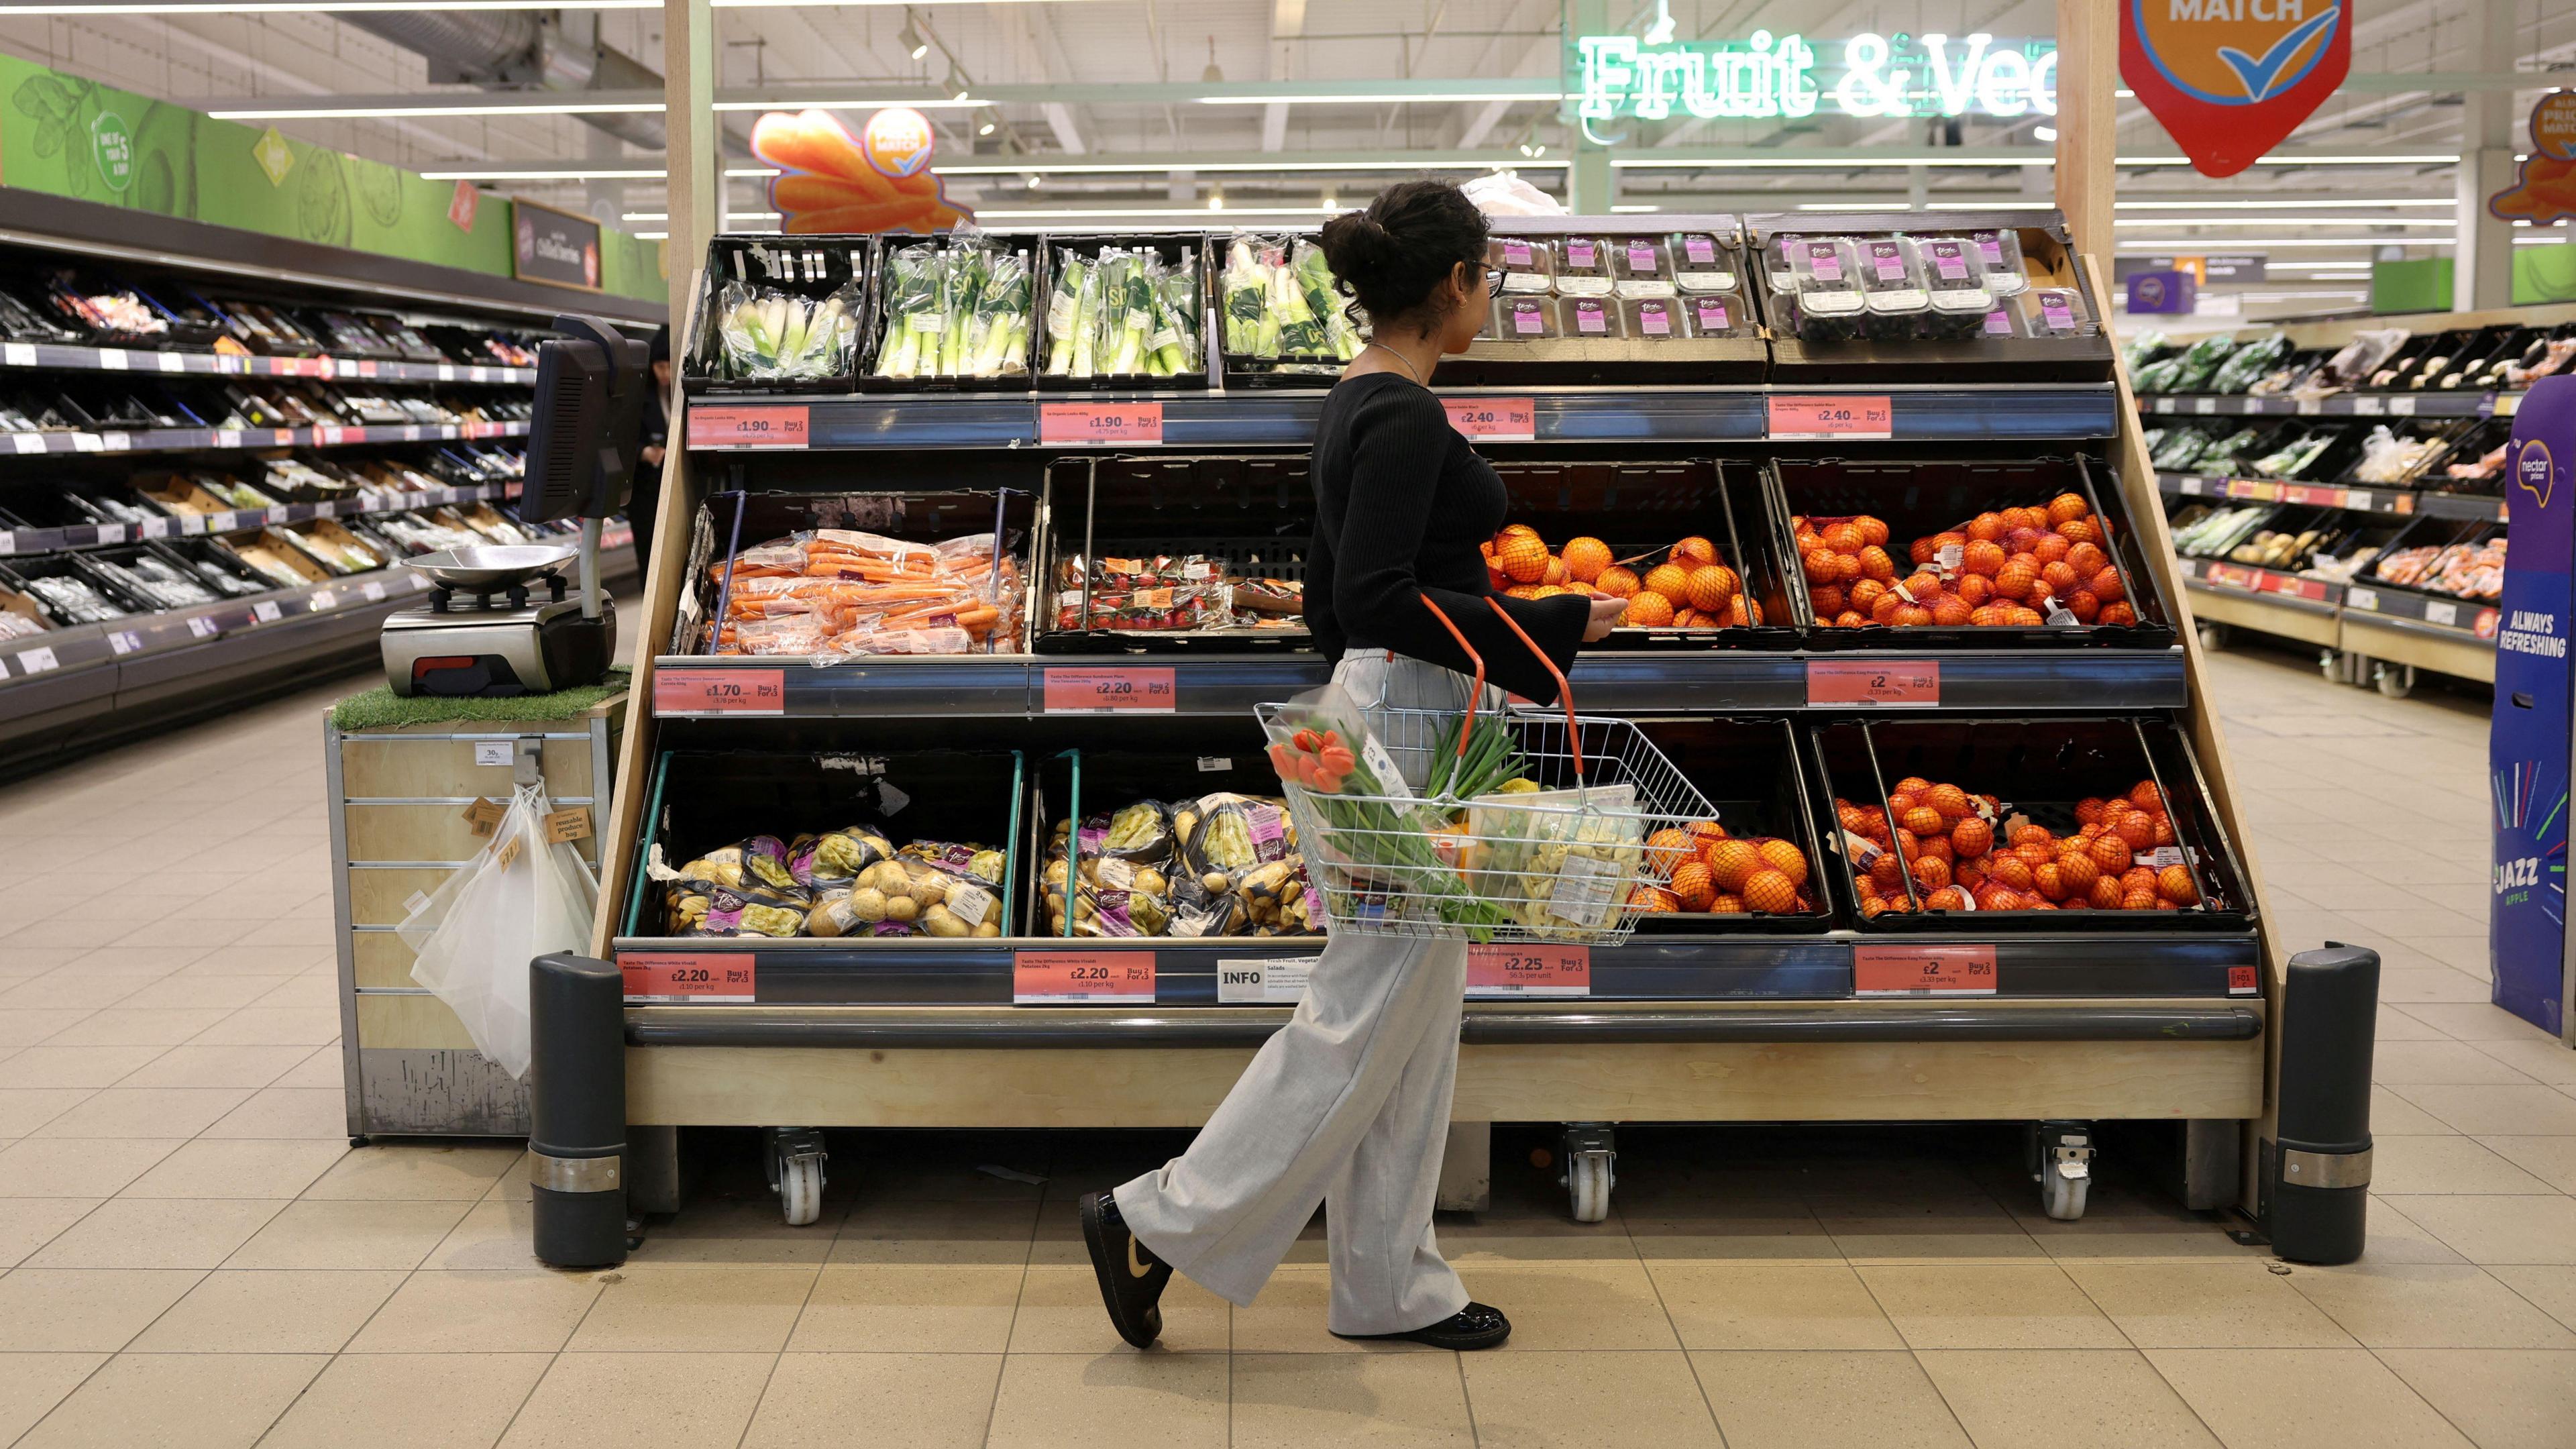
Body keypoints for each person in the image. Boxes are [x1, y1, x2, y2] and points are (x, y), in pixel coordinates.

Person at [1080, 180, 1624, 1352]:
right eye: (1490, 274)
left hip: (1395, 713)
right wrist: (1559, 627)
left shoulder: (1358, 400)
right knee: (1364, 1008)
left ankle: (1390, 1283)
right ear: (1454, 286)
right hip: (1407, 731)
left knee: (1415, 1020)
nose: (1494, 293)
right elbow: (1373, 599)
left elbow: (1335, 600)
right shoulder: (1407, 416)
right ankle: (1158, 1220)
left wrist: (1491, 629)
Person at [629, 325, 672, 569]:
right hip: (646, 490)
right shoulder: (639, 397)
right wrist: (644, 452)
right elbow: (621, 438)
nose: (665, 373)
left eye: (669, 366)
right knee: (648, 556)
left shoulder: (680, 394)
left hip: (672, 488)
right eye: (659, 367)